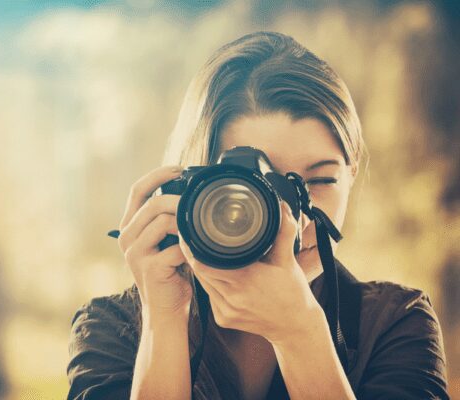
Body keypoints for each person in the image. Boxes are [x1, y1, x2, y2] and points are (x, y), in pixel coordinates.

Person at [66, 31, 449, 399]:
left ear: (351, 174)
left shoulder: (396, 323)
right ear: (193, 189)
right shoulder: (111, 328)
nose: (291, 223)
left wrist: (301, 332)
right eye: (253, 188)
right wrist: (163, 318)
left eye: (317, 182)